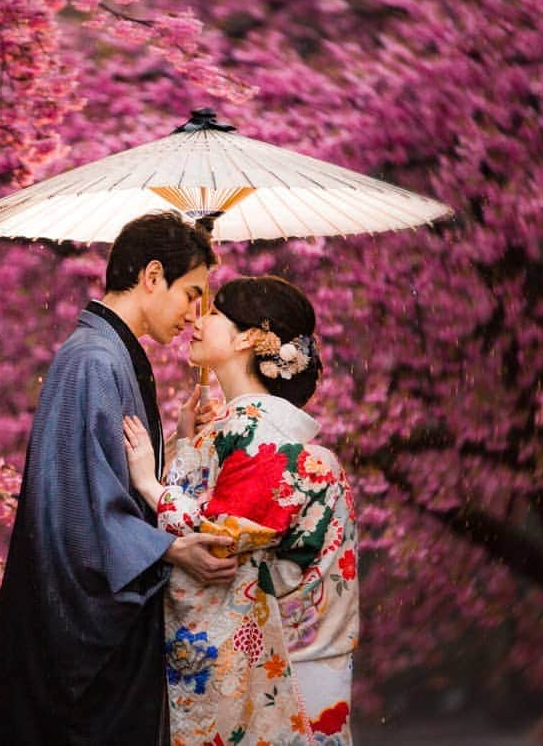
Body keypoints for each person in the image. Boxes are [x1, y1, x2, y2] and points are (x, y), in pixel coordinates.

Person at [0, 211, 240, 746]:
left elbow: (105, 483)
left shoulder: (103, 352)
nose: (194, 314)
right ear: (153, 276)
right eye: (191, 293)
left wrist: (179, 438)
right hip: (82, 641)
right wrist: (170, 549)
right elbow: (86, 509)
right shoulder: (95, 359)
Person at [124, 276, 359, 746]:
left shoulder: (259, 431)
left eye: (212, 312)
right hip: (291, 659)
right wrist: (189, 442)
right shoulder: (248, 426)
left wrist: (150, 484)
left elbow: (218, 541)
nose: (196, 318)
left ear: (248, 336)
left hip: (281, 664)